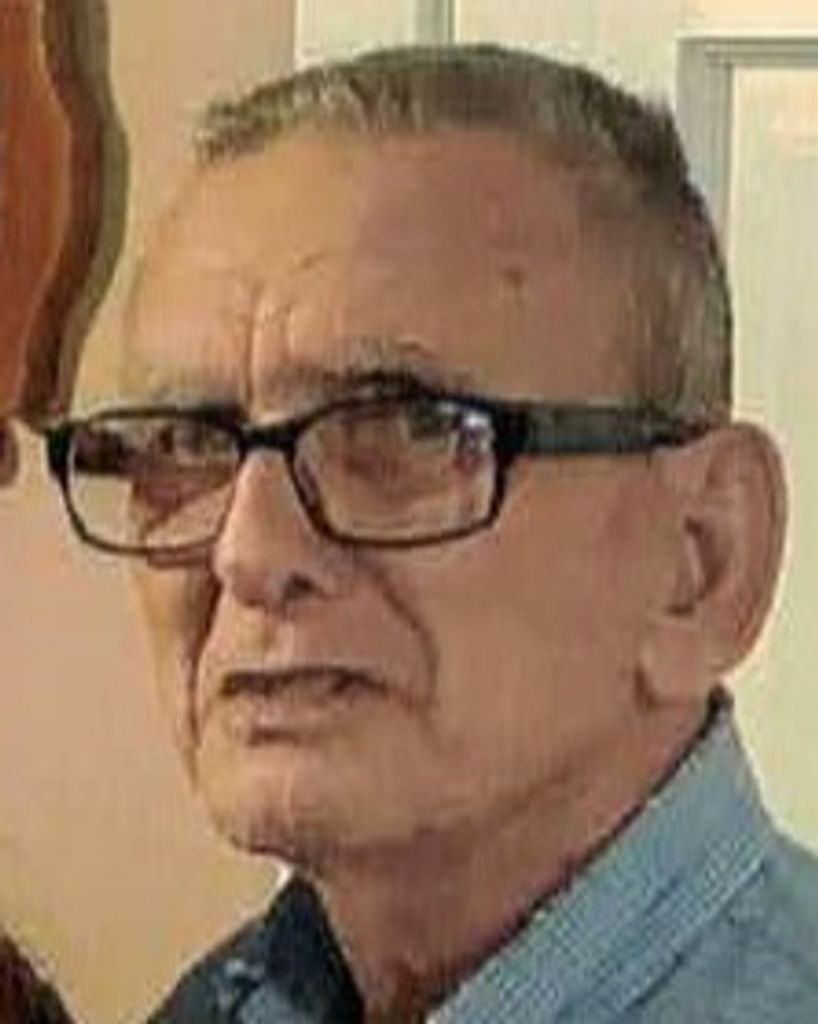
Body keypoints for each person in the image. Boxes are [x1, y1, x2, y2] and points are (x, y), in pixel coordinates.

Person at [44, 44, 818, 1022]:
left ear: (701, 559)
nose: (248, 552)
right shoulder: (235, 1001)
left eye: (404, 427)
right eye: (183, 442)